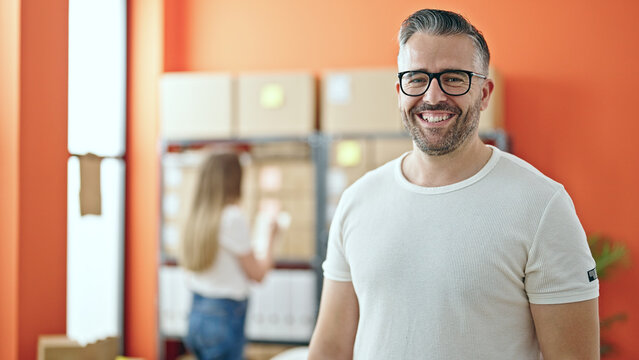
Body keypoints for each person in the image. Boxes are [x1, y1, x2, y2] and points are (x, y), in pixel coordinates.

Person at [309, 8, 599, 360]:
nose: (433, 97)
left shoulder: (541, 205)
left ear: (485, 92)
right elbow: (330, 349)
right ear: (399, 90)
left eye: (454, 78)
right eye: (416, 78)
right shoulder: (358, 200)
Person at [179, 152, 279, 360]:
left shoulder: (196, 218)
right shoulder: (232, 217)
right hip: (223, 316)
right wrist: (271, 237)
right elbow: (258, 274)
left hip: (197, 314)